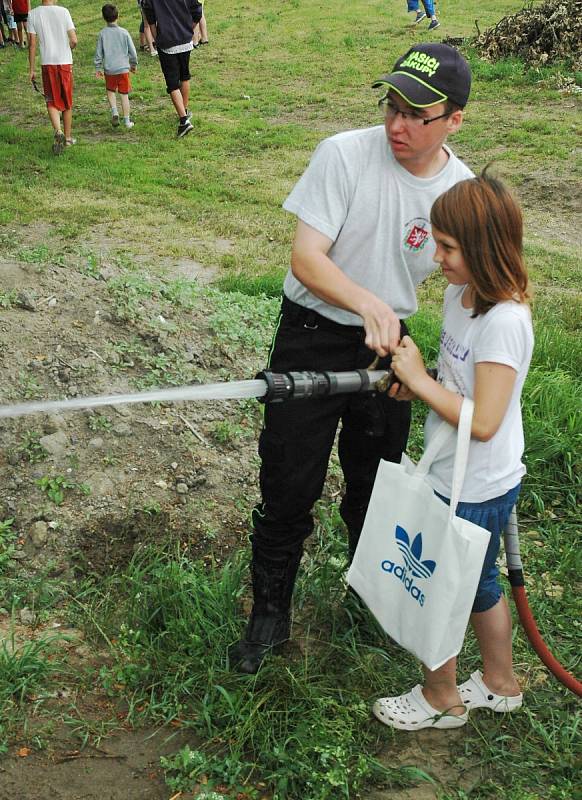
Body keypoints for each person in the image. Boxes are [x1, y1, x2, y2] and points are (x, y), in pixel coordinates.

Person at [230, 43, 474, 675]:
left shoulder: (461, 190)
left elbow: (464, 288)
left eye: (419, 114)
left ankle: (370, 593)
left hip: (389, 349)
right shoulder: (344, 154)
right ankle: (269, 614)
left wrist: (425, 369)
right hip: (312, 332)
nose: (398, 124)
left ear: (454, 121)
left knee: (375, 482)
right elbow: (307, 258)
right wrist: (366, 302)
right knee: (289, 480)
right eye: (393, 105)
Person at [373, 171, 533, 731]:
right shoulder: (459, 297)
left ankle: (441, 695)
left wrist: (421, 383)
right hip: (459, 471)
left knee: (439, 589)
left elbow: (485, 421)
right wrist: (425, 378)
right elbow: (462, 383)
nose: (436, 257)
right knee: (480, 580)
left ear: (485, 249)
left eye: (447, 247)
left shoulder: (504, 321)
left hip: (476, 480)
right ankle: (500, 683)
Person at [141, 0, 202, 138]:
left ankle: (183, 120)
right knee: (184, 76)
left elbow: (150, 18)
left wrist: (158, 38)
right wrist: (189, 29)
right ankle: (184, 111)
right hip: (185, 40)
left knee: (172, 83)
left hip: (167, 42)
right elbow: (197, 10)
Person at [28, 0, 77, 155]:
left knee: (51, 100)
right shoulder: (64, 11)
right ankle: (68, 138)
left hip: (47, 63)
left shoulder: (33, 14)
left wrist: (31, 69)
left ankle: (58, 131)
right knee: (67, 101)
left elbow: (32, 44)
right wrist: (70, 47)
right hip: (64, 62)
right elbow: (74, 39)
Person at [95, 4, 138, 130]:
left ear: (103, 17)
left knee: (110, 91)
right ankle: (127, 121)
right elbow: (133, 52)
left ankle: (114, 112)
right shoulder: (124, 33)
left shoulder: (102, 34)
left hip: (109, 69)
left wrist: (98, 67)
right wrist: (133, 64)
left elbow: (99, 53)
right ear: (118, 16)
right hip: (123, 69)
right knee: (124, 94)